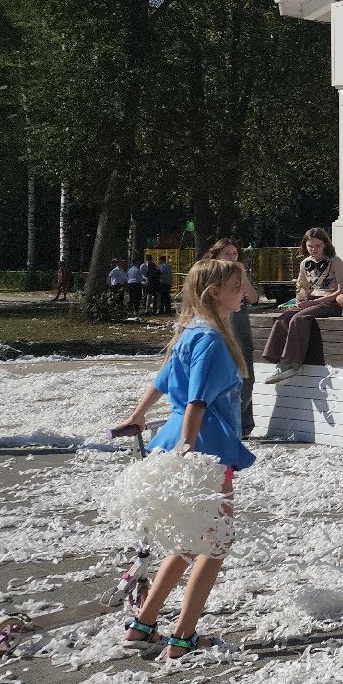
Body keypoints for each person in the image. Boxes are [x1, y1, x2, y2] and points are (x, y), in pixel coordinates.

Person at [112, 258, 257, 659]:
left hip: (183, 439)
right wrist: (188, 454)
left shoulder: (191, 329)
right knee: (215, 544)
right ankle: (183, 637)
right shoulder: (211, 337)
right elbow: (195, 401)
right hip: (204, 447)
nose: (243, 294)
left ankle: (143, 625)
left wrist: (139, 416)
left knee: (191, 541)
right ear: (215, 293)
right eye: (236, 287)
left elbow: (160, 379)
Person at [260, 228, 343, 385]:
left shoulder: (335, 261)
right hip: (312, 300)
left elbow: (341, 290)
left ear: (325, 245)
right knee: (283, 318)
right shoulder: (305, 263)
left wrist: (314, 302)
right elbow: (302, 287)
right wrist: (300, 300)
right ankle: (277, 359)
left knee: (299, 319)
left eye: (318, 245)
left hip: (331, 302)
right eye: (310, 246)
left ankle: (292, 362)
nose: (314, 249)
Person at [200, 238, 259, 438]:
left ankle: (243, 424)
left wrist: (242, 276)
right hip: (219, 323)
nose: (232, 258)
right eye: (227, 254)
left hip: (239, 321)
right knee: (225, 374)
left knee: (246, 374)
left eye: (235, 254)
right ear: (216, 256)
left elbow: (253, 298)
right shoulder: (208, 273)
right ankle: (226, 423)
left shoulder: (239, 273)